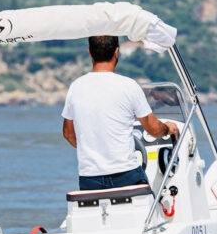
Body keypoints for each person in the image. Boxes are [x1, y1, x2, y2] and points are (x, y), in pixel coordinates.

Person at [62, 35, 179, 191]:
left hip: (89, 179)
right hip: (126, 175)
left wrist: (92, 148)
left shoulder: (76, 87)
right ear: (117, 52)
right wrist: (168, 128)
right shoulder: (129, 86)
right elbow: (154, 129)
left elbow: (68, 134)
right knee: (152, 206)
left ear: (90, 52)